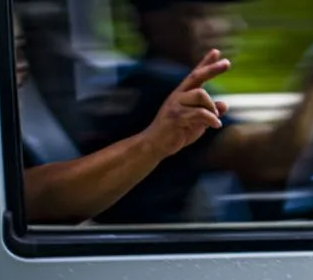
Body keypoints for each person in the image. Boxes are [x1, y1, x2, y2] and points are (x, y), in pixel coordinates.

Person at [74, 0, 313, 225]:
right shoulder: (162, 95)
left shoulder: (136, 86)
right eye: (199, 14)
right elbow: (272, 160)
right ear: (154, 23)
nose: (226, 25)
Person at [16, 12, 233, 225]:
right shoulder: (155, 83)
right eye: (11, 52)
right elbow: (36, 198)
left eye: (21, 51)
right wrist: (153, 142)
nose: (22, 67)